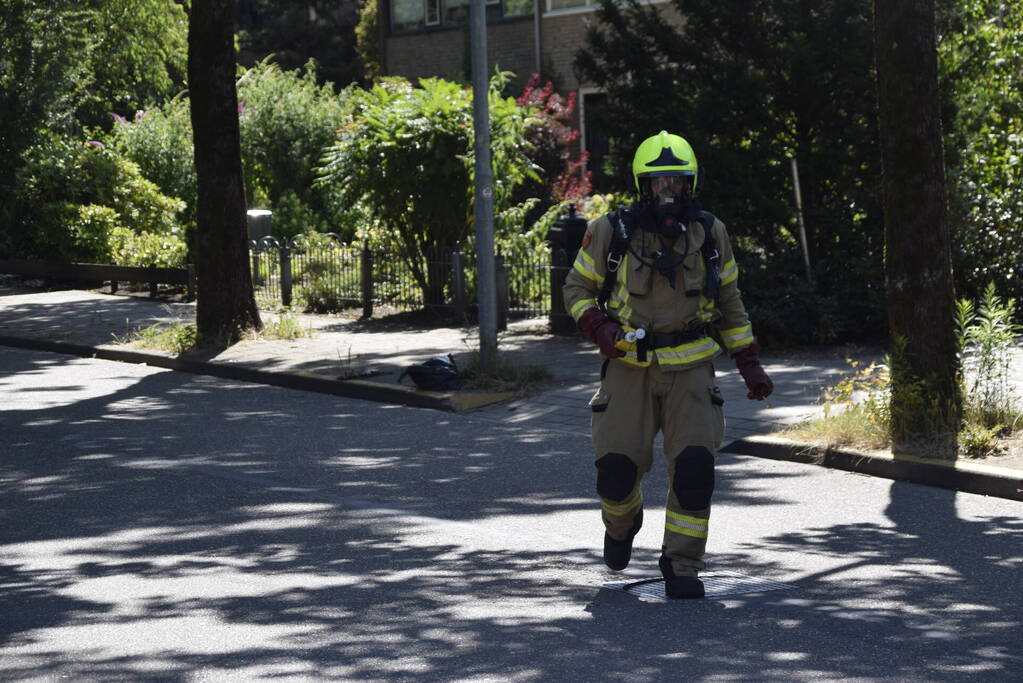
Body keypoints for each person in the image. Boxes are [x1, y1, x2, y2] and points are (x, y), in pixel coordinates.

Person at [562, 131, 773, 599]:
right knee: (615, 475)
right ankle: (623, 524)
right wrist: (599, 327)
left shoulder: (710, 234)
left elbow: (731, 302)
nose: (668, 191)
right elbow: (575, 289)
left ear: (690, 183)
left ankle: (682, 564)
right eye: (658, 183)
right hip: (627, 368)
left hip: (692, 369)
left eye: (676, 181)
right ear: (643, 186)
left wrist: (749, 362)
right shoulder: (609, 232)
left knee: (695, 470)